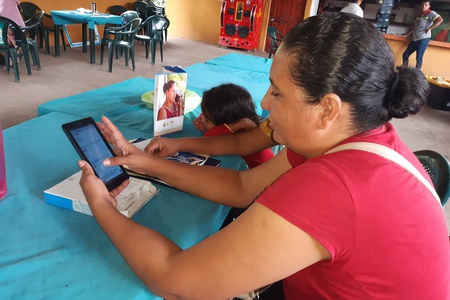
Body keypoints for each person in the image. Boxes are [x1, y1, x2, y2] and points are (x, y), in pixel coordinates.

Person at [77, 13, 450, 299]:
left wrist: (102, 205)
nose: (264, 103)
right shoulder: (355, 139)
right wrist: (144, 161)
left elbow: (174, 280)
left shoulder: (336, 186)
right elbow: (242, 185)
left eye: (277, 92)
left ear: (326, 110)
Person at [193, 83, 273, 169]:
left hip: (266, 175)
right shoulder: (238, 124)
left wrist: (242, 123)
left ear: (226, 124)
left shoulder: (243, 133)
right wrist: (202, 118)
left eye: (208, 120)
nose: (202, 118)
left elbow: (208, 140)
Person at [402, 0, 443, 69]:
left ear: (429, 6)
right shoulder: (419, 14)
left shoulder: (431, 13)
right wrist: (407, 34)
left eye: (426, 5)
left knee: (418, 58)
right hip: (415, 39)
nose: (423, 6)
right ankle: (404, 71)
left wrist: (430, 28)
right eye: (422, 5)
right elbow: (414, 25)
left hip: (423, 39)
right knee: (405, 55)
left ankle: (417, 75)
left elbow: (440, 20)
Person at [0, 0, 25, 66]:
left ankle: (12, 57)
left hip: (16, 30)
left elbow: (2, 15)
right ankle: (9, 57)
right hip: (9, 27)